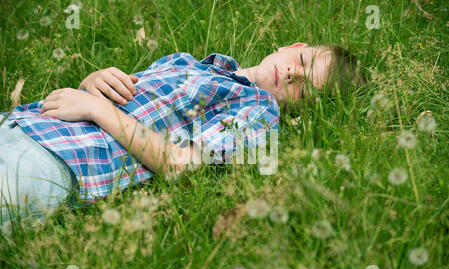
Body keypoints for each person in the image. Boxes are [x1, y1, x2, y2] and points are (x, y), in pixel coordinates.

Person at [0, 42, 365, 223]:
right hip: (24, 119)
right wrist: (94, 84)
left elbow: (179, 162)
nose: (291, 74)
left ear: (304, 108)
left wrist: (99, 109)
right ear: (293, 47)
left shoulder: (260, 116)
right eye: (300, 63)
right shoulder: (186, 61)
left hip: (56, 160)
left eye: (304, 87)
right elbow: (107, 97)